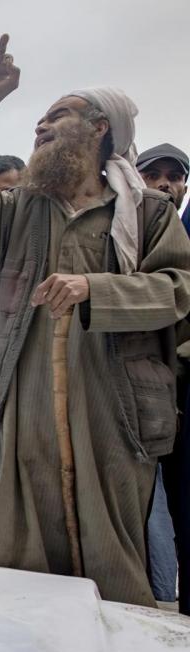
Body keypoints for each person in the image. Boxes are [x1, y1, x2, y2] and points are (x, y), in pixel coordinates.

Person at [0, 34, 190, 607]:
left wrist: (94, 288)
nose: (41, 126)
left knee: (113, 549)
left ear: (100, 127)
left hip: (116, 399)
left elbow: (180, 289)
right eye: (41, 117)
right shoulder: (25, 205)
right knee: (26, 542)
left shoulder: (147, 211)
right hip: (28, 399)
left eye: (59, 115)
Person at [134, 143, 190, 613]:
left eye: (174, 176)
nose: (166, 184)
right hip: (133, 395)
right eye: (155, 175)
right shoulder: (123, 235)